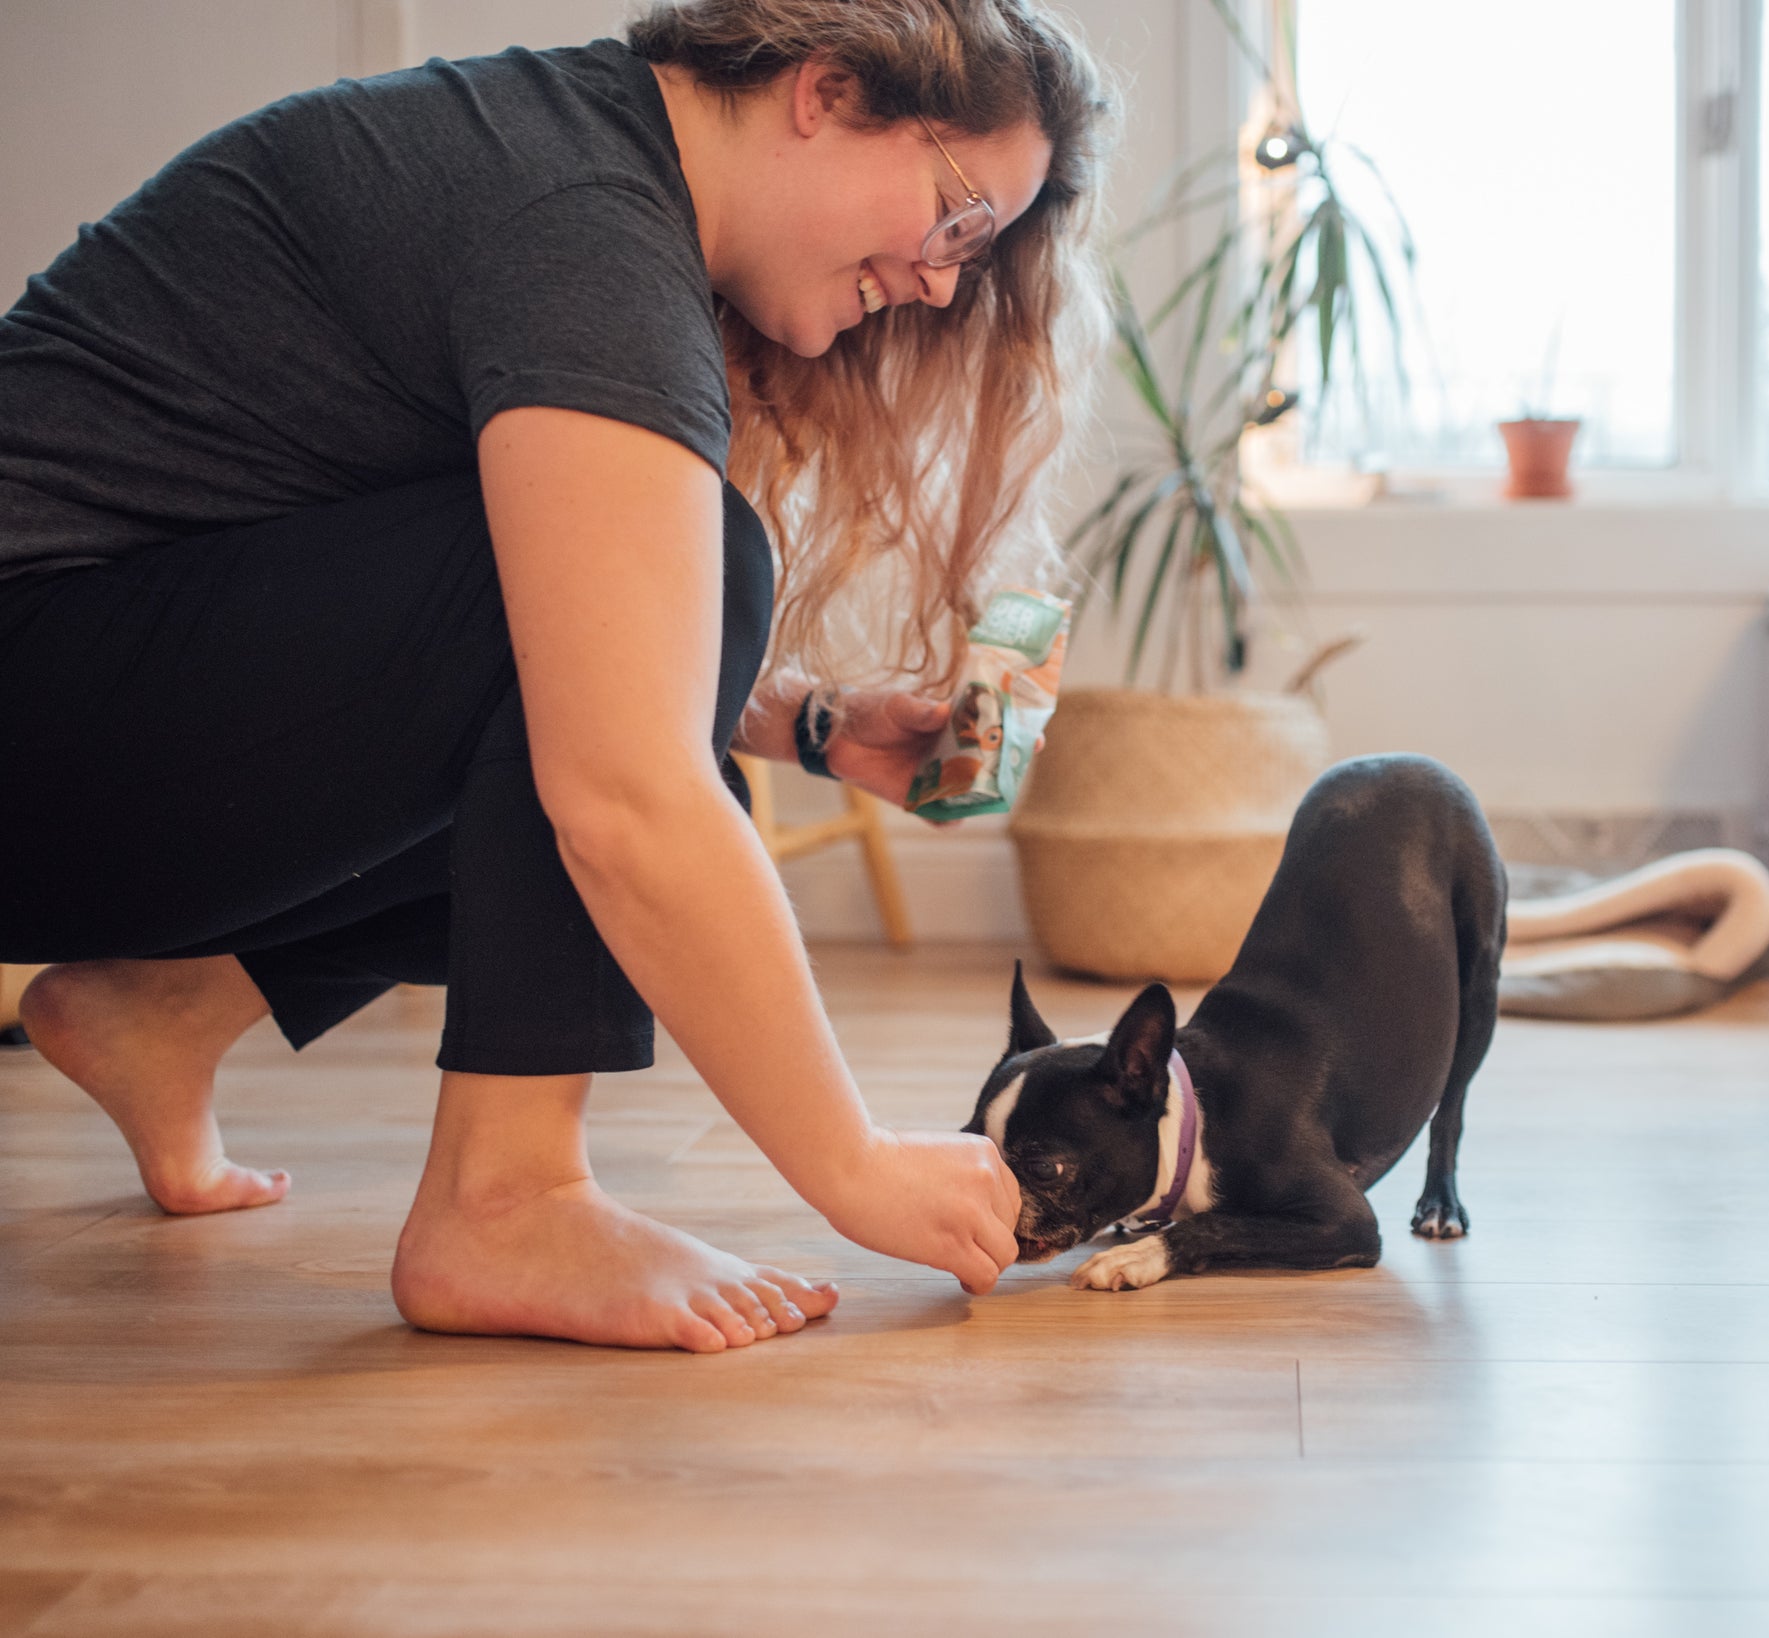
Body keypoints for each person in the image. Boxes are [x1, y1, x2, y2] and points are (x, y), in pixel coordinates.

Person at [0, 0, 1115, 1352]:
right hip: (41, 699)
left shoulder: (571, 160)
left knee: (677, 612)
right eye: (955, 218)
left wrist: (811, 724)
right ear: (821, 92)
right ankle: (509, 1191)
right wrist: (857, 1162)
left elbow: (532, 606)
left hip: (75, 697)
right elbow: (621, 791)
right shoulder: (583, 226)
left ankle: (159, 1010)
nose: (946, 281)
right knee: (691, 605)